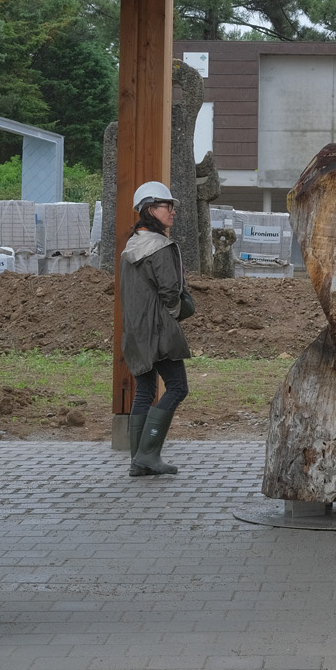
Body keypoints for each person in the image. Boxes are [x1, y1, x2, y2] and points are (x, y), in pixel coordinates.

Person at [120, 180, 193, 477]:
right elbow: (170, 292)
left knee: (145, 390)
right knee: (177, 387)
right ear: (151, 209)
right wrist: (177, 312)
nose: (173, 211)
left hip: (135, 332)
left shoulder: (131, 246)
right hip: (159, 331)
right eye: (168, 206)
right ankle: (148, 455)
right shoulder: (161, 247)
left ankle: (138, 461)